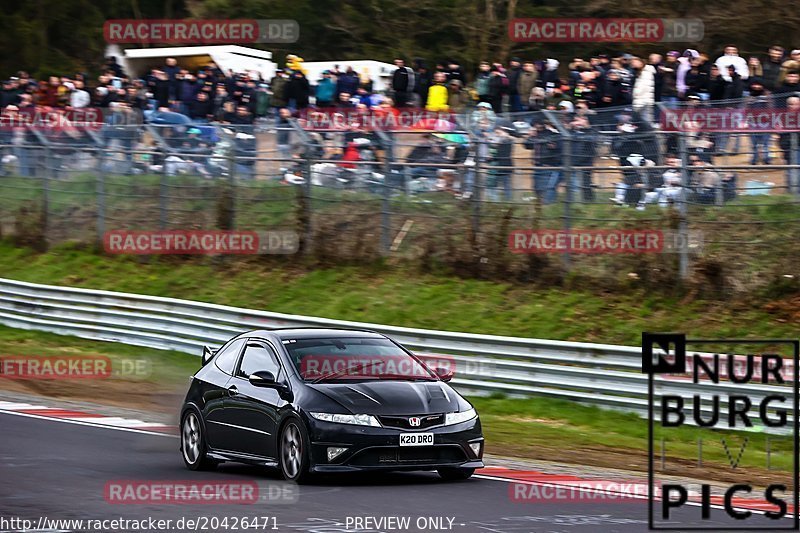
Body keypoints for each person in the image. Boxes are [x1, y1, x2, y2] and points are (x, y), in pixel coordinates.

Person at [631, 57, 656, 123]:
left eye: (635, 62)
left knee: (646, 120)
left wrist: (636, 94)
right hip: (640, 101)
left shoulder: (646, 73)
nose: (634, 64)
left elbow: (645, 86)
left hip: (644, 101)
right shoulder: (638, 73)